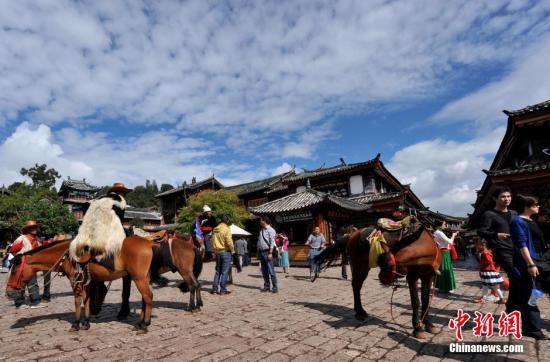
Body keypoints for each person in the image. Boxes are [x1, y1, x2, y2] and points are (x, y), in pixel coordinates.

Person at [509, 195, 548, 340]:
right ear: (527, 206)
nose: (538, 206)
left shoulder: (531, 220)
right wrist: (530, 264)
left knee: (534, 293)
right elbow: (521, 244)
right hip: (528, 262)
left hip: (540, 260)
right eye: (536, 204)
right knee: (530, 295)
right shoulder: (518, 221)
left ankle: (530, 325)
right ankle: (532, 329)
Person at [478, 186, 517, 284]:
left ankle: (514, 299)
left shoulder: (514, 213)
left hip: (516, 248)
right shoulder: (489, 214)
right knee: (515, 274)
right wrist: (496, 235)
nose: (506, 199)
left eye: (508, 196)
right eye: (503, 197)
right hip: (501, 249)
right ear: (495, 199)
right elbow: (481, 231)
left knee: (516, 277)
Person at [9, 220, 44, 309]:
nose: (34, 229)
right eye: (31, 228)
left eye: (35, 227)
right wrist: (18, 258)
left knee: (33, 283)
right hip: (21, 265)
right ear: (27, 229)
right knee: (20, 283)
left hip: (32, 266)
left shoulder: (38, 240)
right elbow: (12, 250)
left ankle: (35, 301)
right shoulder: (21, 239)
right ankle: (19, 303)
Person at [475, 239, 505, 304]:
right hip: (487, 271)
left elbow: (489, 261)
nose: (477, 246)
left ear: (483, 245)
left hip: (488, 271)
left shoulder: (485, 253)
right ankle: (484, 298)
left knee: (493, 286)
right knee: (485, 286)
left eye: (478, 245)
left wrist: (482, 265)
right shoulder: (485, 252)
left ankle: (501, 299)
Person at [211, 215, 234, 295]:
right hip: (225, 252)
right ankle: (223, 289)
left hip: (217, 252)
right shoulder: (226, 229)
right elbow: (229, 242)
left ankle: (214, 289)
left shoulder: (215, 229)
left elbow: (212, 241)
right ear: (227, 221)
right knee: (225, 271)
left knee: (218, 271)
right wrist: (232, 250)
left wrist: (214, 251)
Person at [434, 221, 458, 293]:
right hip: (445, 252)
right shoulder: (440, 232)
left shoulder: (436, 232)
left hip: (441, 251)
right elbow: (450, 242)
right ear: (440, 225)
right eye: (444, 224)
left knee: (442, 268)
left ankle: (441, 286)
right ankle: (447, 287)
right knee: (446, 268)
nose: (445, 225)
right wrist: (453, 235)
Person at [257, 216, 278, 293]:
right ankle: (266, 286)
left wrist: (270, 253)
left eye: (261, 220)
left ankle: (275, 287)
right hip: (262, 252)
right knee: (264, 270)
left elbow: (272, 242)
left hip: (268, 252)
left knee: (271, 270)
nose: (260, 221)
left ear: (264, 221)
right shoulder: (261, 230)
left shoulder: (271, 230)